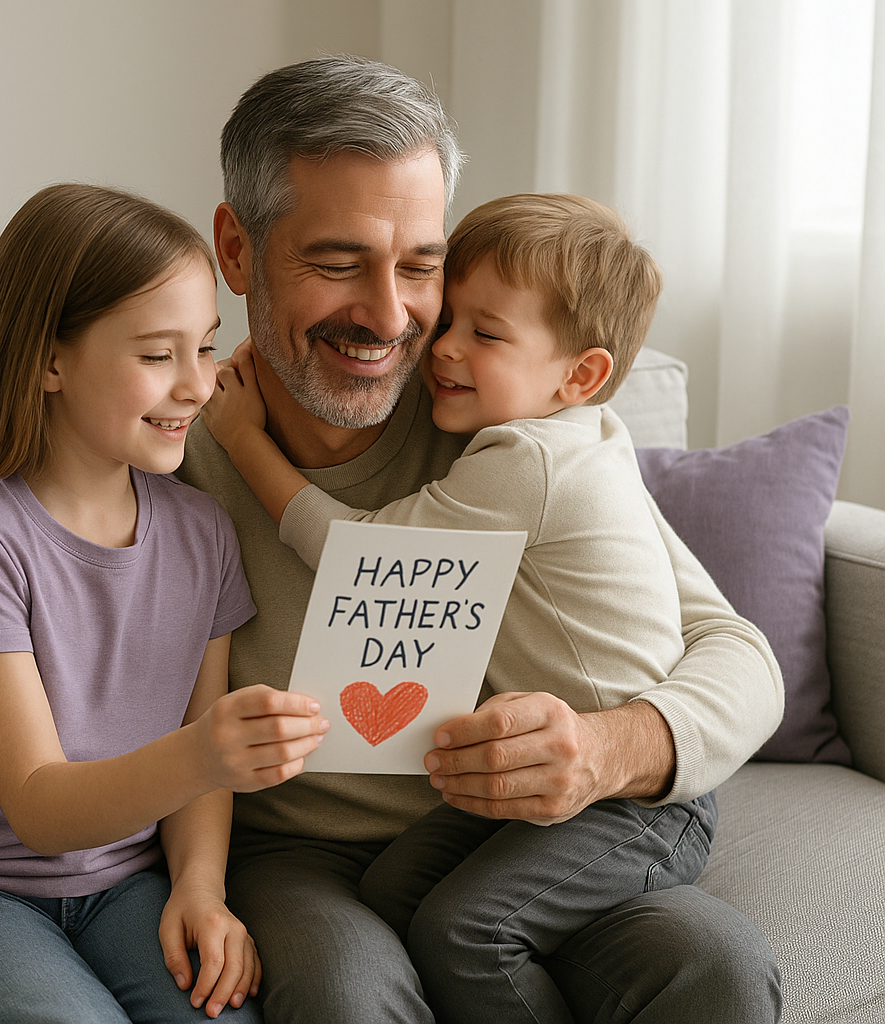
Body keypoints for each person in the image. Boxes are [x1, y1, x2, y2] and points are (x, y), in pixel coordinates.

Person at [177, 55, 785, 1023]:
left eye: (421, 266)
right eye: (337, 262)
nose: (390, 318)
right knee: (348, 993)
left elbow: (735, 652)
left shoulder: (501, 423)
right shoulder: (175, 433)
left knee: (707, 958)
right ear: (238, 250)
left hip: (509, 832)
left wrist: (604, 746)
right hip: (297, 851)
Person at [0, 183, 329, 1024]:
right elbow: (41, 804)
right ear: (48, 359)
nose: (197, 386)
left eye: (208, 348)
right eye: (157, 355)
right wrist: (207, 752)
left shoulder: (202, 531)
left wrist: (200, 889)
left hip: (121, 884)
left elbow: (198, 763)